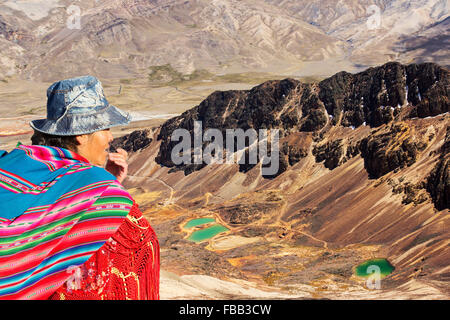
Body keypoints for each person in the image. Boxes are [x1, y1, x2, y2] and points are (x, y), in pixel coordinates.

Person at [0, 75, 159, 300]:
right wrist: (107, 188)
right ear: (82, 134)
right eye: (105, 128)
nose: (111, 137)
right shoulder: (98, 188)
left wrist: (107, 181)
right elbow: (138, 246)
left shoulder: (13, 161)